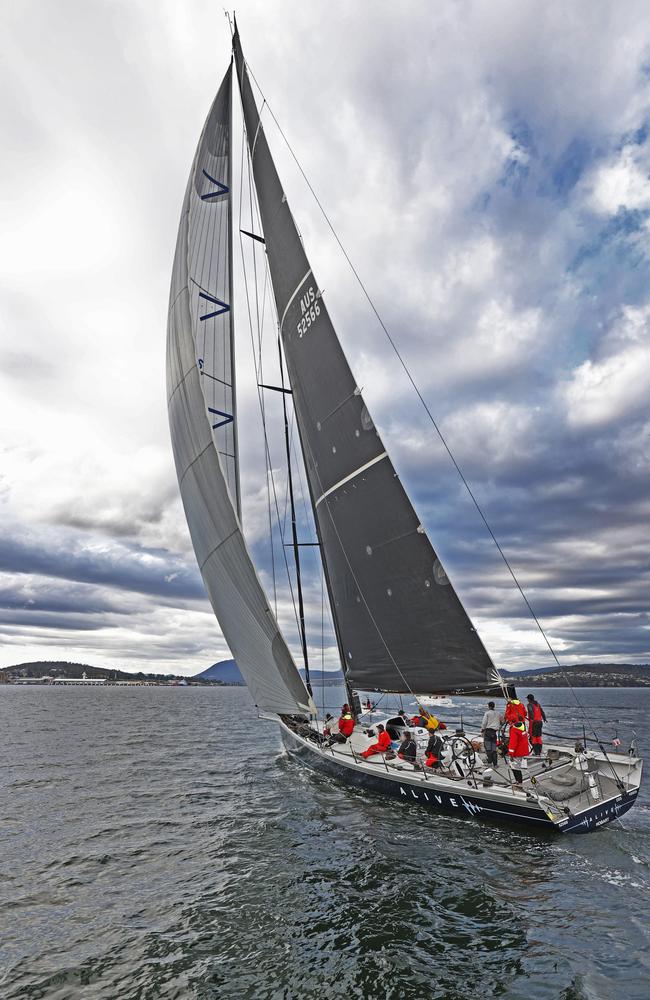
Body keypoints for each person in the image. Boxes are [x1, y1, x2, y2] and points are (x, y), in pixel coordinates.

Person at [507, 720, 530, 787]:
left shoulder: (514, 731)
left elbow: (513, 743)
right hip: (523, 752)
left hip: (517, 753)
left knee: (514, 767)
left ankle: (519, 782)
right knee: (518, 767)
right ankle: (519, 782)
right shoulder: (523, 729)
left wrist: (511, 754)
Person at [481, 700, 501, 766]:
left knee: (488, 748)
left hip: (488, 732)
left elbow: (484, 723)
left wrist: (482, 729)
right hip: (494, 732)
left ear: (489, 706)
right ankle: (495, 764)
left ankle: (489, 762)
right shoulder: (498, 713)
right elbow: (503, 720)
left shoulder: (487, 713)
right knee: (494, 749)